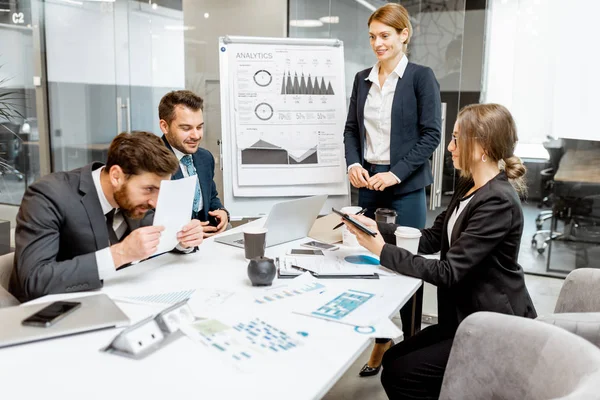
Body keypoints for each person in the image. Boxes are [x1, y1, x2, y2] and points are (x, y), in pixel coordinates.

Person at [343, 103, 538, 399]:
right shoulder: (469, 187)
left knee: (401, 374)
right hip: (462, 318)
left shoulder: (498, 201)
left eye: (457, 139)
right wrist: (376, 229)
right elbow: (434, 238)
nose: (449, 147)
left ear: (482, 145)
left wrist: (382, 250)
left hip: (493, 325)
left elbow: (449, 272)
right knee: (394, 360)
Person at [343, 3, 442, 376]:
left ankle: (412, 346)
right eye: (372, 36)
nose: (378, 43)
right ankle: (382, 338)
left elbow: (431, 134)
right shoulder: (361, 79)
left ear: (404, 35)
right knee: (370, 263)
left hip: (404, 187)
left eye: (385, 35)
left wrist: (396, 173)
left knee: (408, 267)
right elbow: (352, 130)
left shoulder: (420, 77)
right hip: (369, 185)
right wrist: (355, 163)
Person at [10, 131, 205, 303]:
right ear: (116, 176)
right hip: (60, 316)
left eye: (160, 190)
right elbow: (33, 281)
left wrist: (182, 240)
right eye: (149, 189)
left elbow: (156, 230)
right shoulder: (48, 195)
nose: (155, 202)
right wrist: (121, 253)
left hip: (123, 299)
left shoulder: (135, 199)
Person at [159, 90, 229, 238]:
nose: (196, 136)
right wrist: (187, 233)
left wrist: (221, 211)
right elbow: (147, 218)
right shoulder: (151, 162)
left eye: (199, 127)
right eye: (186, 128)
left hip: (205, 242)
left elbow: (211, 197)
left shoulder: (205, 158)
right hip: (172, 247)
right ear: (164, 126)